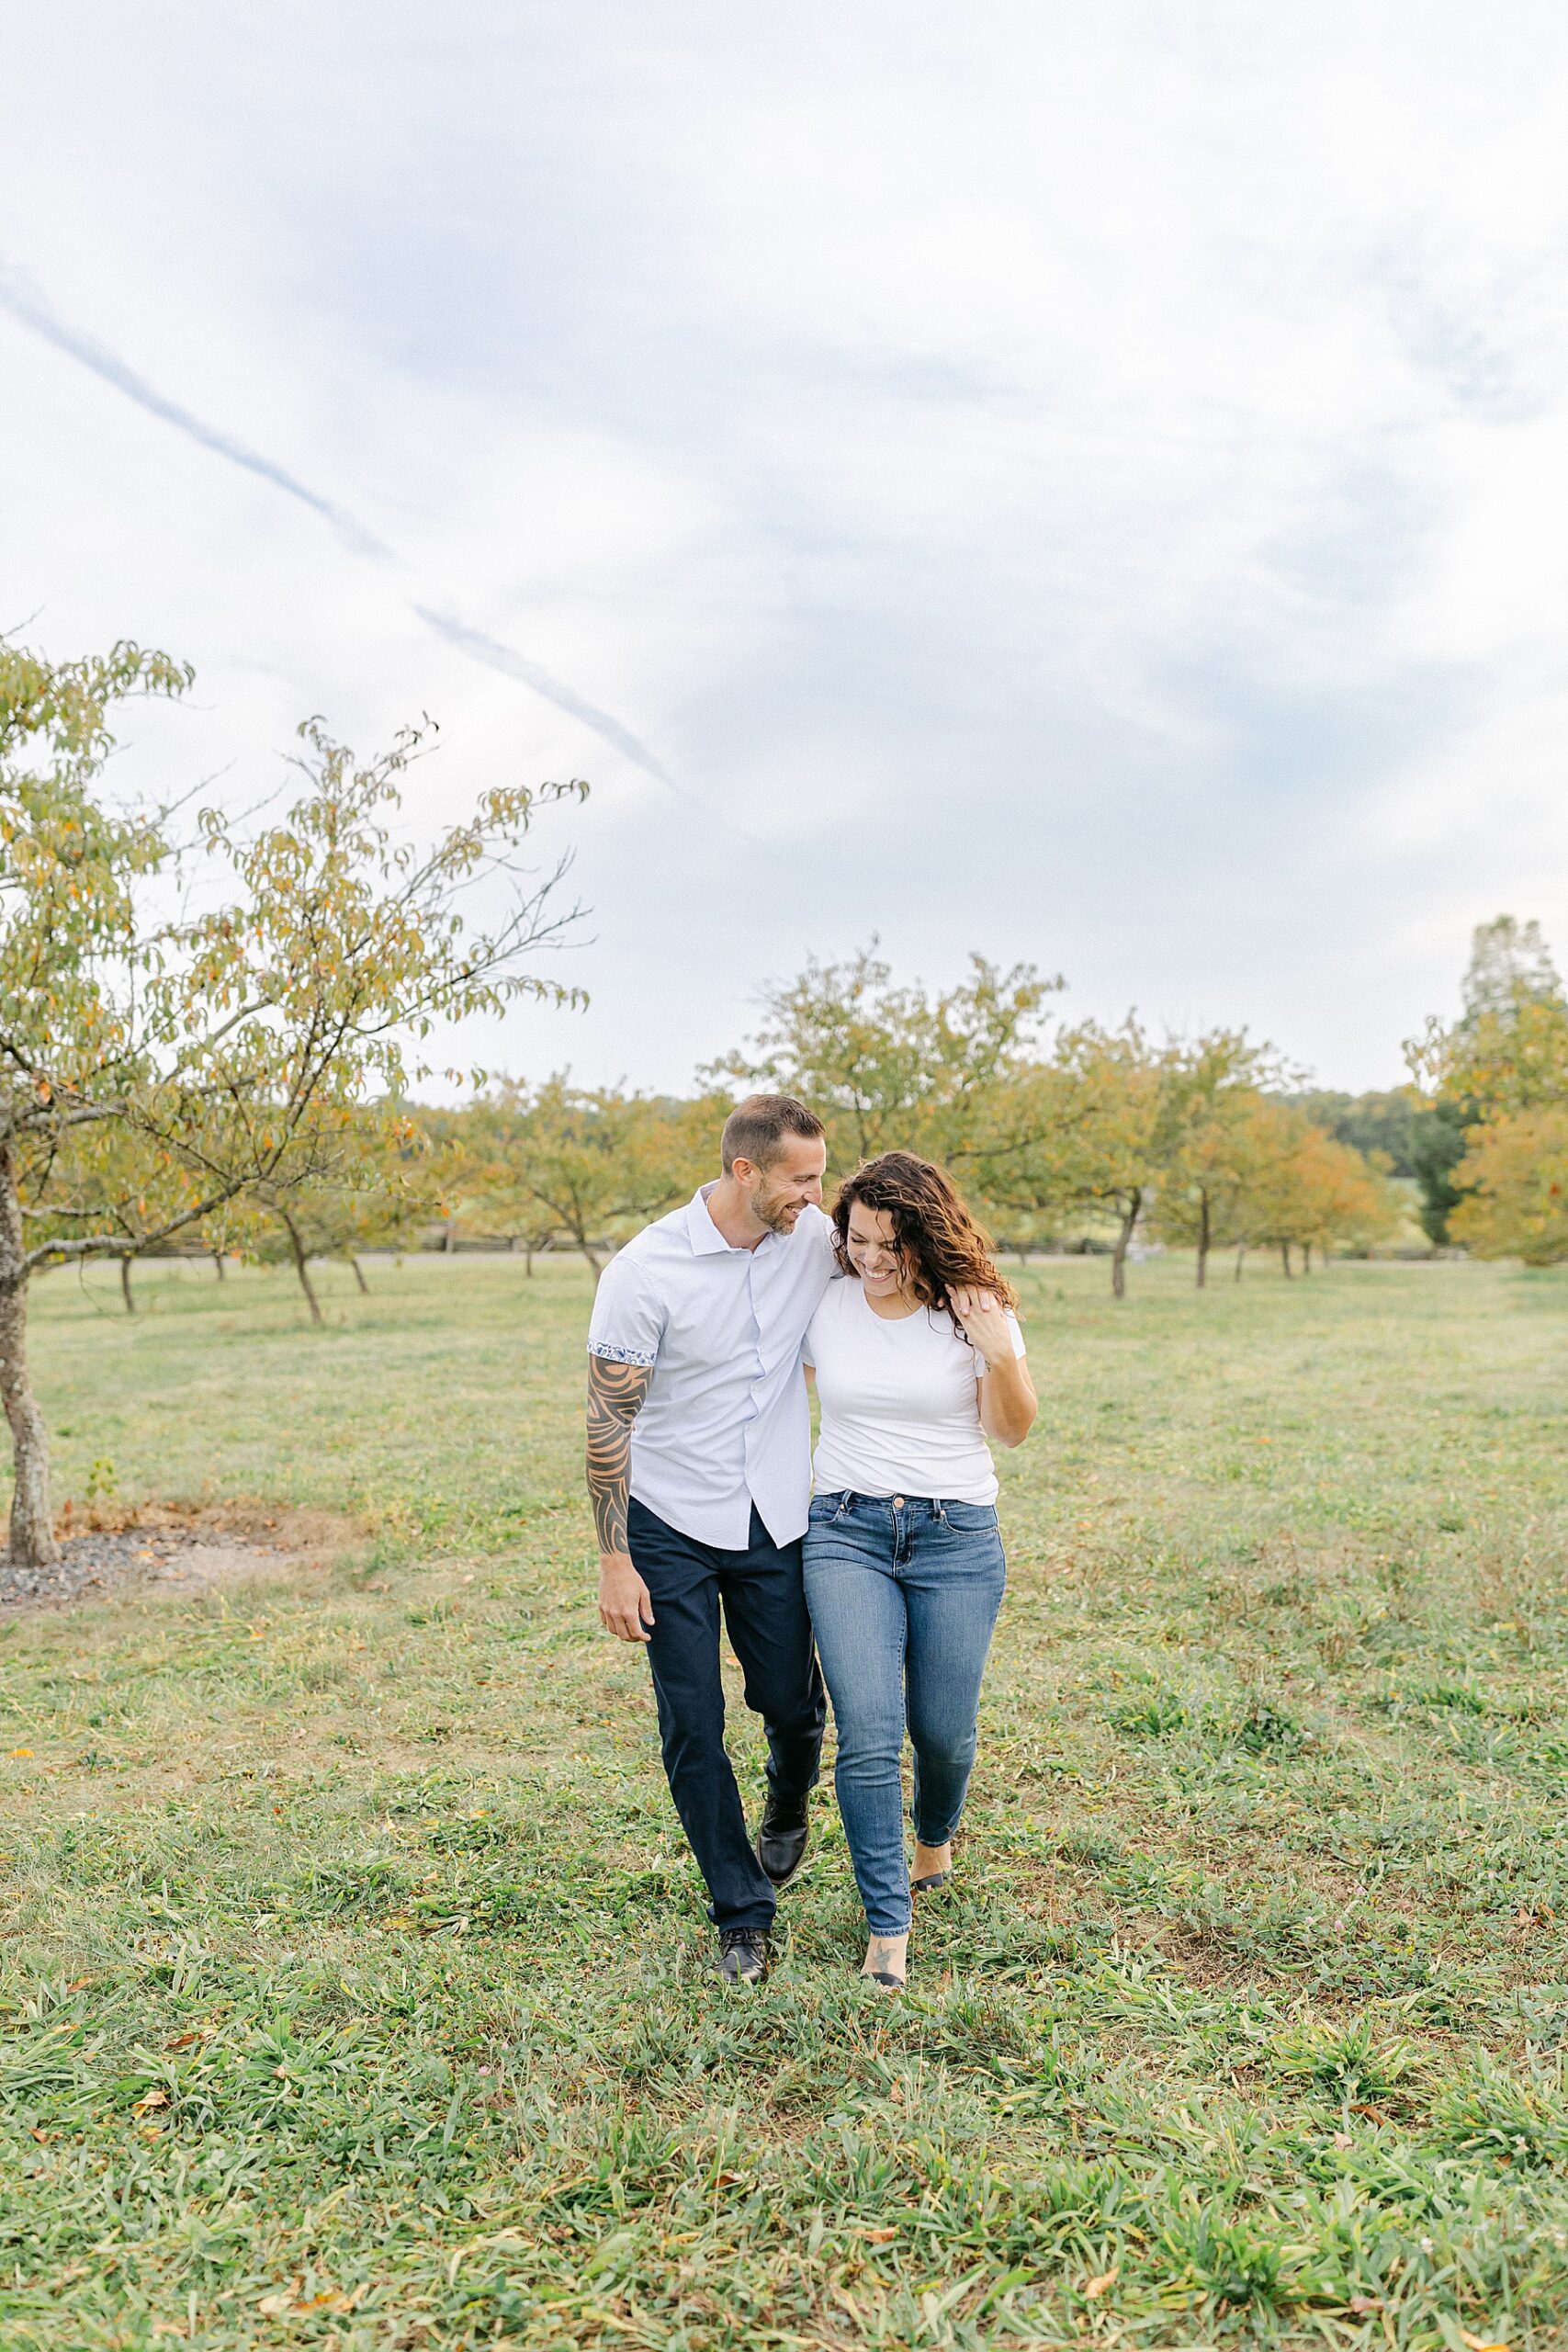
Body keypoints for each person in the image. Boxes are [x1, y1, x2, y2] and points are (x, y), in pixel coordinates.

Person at [586, 1093, 835, 1984]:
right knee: (692, 1723)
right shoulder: (644, 1271)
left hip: (774, 1512)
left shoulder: (811, 1236)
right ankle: (740, 1911)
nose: (817, 1194)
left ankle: (785, 1805)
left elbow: (894, 1261)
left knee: (793, 1705)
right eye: (802, 1177)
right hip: (669, 1522)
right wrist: (616, 1559)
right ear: (745, 1171)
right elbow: (608, 1421)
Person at [802, 1150, 1036, 1992]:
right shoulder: (824, 1304)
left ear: (925, 1239)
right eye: (856, 1238)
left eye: (890, 1244)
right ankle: (886, 1921)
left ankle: (935, 1835)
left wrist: (996, 1352)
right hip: (843, 1531)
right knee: (866, 1730)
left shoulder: (975, 1310)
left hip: (955, 1536)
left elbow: (1011, 1430)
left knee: (942, 1731)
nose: (870, 1258)